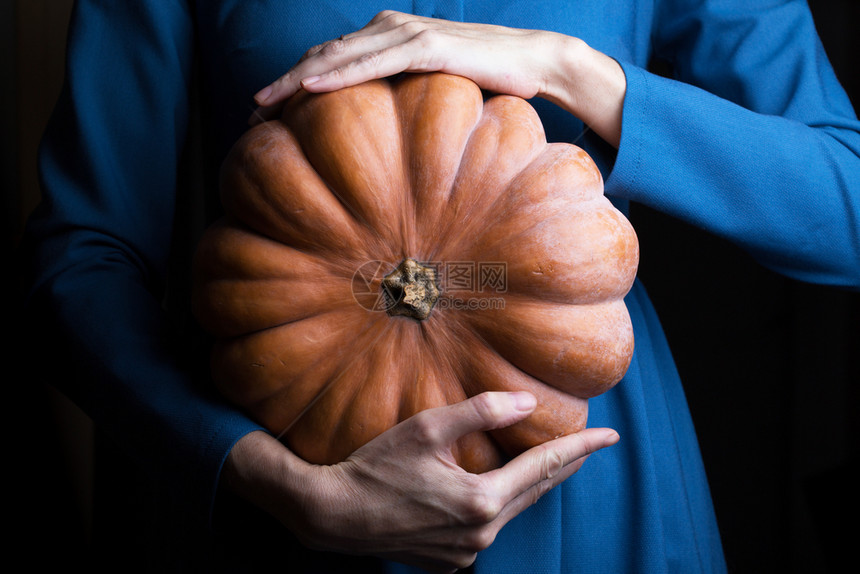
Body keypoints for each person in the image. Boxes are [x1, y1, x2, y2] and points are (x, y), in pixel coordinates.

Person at [18, 1, 859, 573]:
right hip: (289, 486)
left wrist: (573, 71)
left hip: (594, 497)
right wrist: (270, 482)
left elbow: (845, 200)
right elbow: (79, 258)